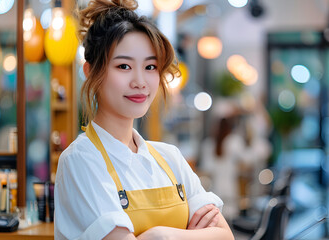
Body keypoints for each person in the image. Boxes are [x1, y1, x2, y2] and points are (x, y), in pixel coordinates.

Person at [54, 0, 234, 239]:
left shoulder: (171, 159)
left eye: (150, 66)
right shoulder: (80, 161)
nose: (140, 81)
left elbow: (225, 236)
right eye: (124, 66)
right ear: (90, 72)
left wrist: (159, 236)